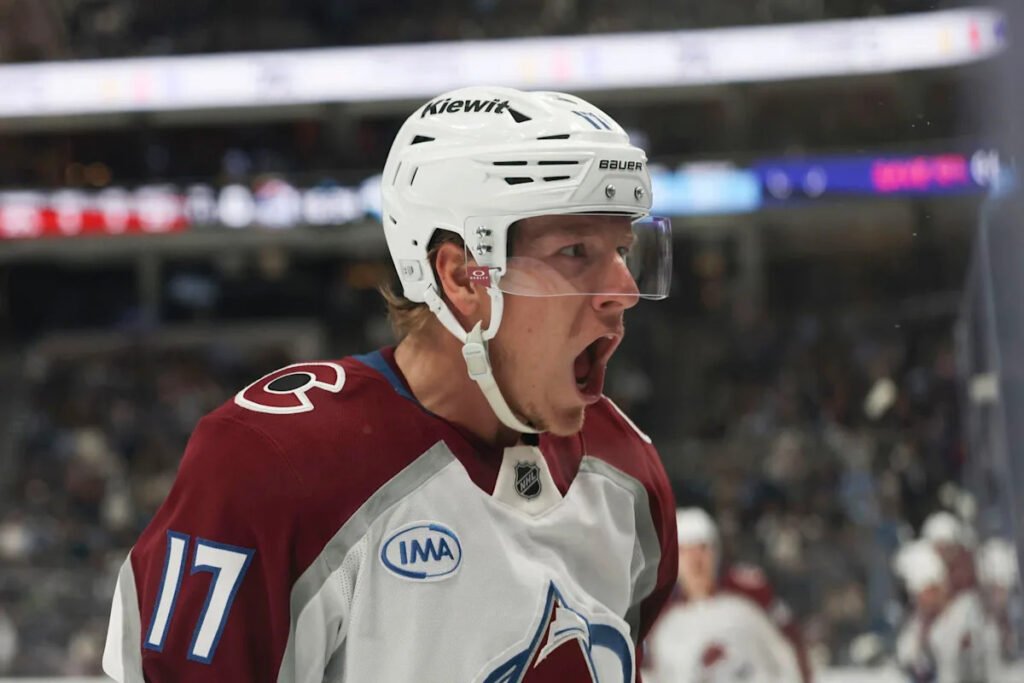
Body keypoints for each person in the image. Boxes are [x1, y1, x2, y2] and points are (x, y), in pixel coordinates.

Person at [101, 86, 679, 682]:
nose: (624, 290)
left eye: (623, 250)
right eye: (575, 250)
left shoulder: (626, 472)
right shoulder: (275, 463)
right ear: (461, 276)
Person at [643, 508, 806, 683]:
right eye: (685, 551)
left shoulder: (749, 596)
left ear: (716, 552)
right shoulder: (661, 620)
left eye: (702, 549)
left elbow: (789, 651)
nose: (695, 561)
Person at [894, 539, 987, 683]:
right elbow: (906, 659)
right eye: (918, 595)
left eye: (928, 591)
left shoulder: (966, 611)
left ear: (941, 586)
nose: (922, 600)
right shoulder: (917, 625)